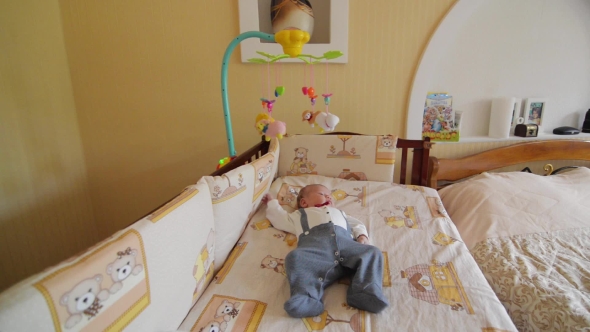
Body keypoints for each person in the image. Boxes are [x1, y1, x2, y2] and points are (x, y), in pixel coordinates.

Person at [262, 184, 389, 318]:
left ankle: (365, 291)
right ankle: (307, 298)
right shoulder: (299, 215)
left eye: (330, 196)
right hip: (316, 253)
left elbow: (356, 224)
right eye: (322, 194)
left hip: (347, 246)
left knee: (372, 252)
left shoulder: (340, 213)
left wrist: (362, 236)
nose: (328, 197)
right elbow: (280, 218)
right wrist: (271, 203)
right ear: (304, 202)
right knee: (295, 257)